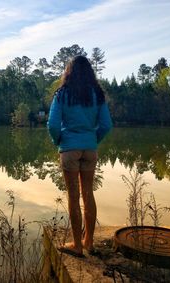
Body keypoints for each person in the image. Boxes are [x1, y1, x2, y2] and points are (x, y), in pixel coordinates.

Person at [47, 55, 112, 257]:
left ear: (69, 72)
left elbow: (52, 125)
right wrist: (93, 141)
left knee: (74, 198)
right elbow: (106, 125)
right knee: (88, 194)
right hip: (90, 149)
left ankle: (76, 245)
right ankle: (89, 243)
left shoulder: (62, 94)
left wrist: (59, 141)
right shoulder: (97, 95)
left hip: (69, 150)